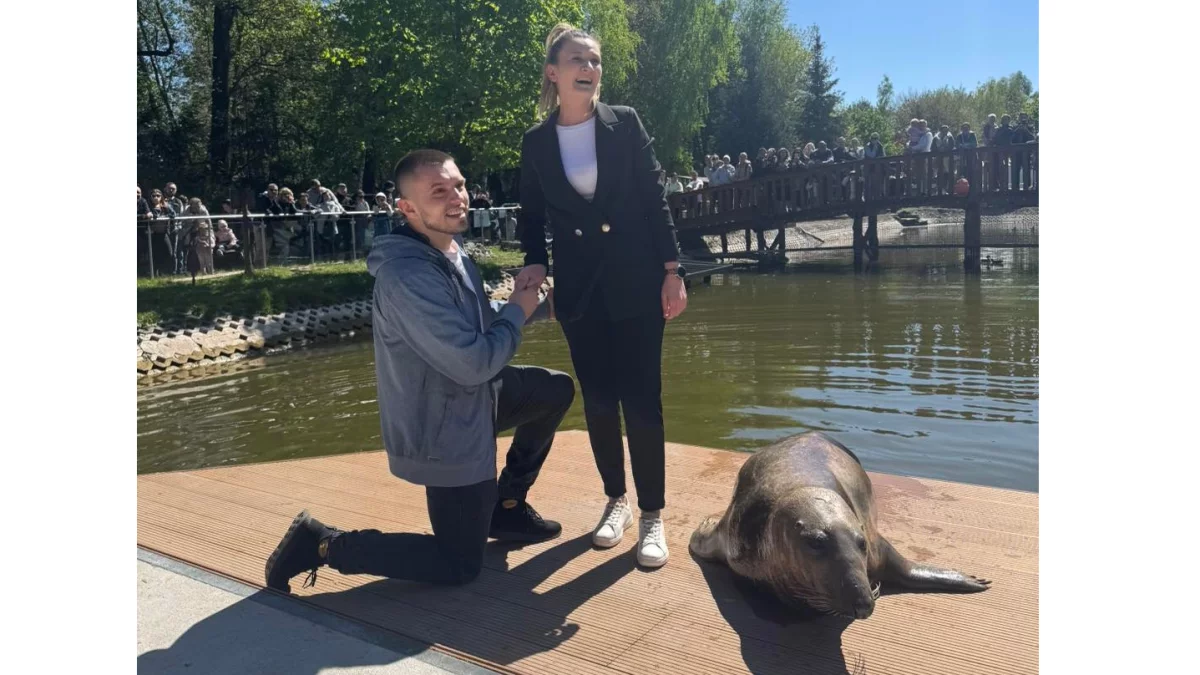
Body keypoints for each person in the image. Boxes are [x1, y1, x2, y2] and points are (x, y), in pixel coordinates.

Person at [265, 149, 574, 593]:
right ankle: (323, 543)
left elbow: (475, 323)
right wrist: (516, 311)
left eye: (459, 185)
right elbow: (473, 363)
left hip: (473, 399)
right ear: (407, 208)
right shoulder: (408, 277)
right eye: (438, 191)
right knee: (458, 565)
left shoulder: (450, 250)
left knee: (554, 390)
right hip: (442, 432)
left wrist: (539, 308)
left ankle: (505, 507)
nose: (457, 197)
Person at [514, 22, 686, 569]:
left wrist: (672, 270)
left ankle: (652, 514)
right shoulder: (536, 142)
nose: (589, 68)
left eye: (594, 61)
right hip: (579, 289)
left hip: (638, 280)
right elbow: (531, 216)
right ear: (553, 73)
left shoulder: (624, 124)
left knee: (642, 401)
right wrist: (535, 264)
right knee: (599, 401)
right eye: (577, 60)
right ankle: (618, 502)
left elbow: (655, 199)